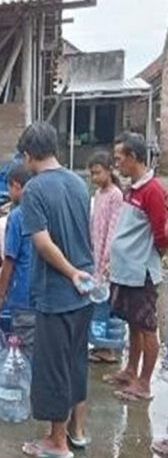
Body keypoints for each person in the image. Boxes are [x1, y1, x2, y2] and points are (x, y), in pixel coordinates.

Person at [17, 122, 94, 458]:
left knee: (53, 367)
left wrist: (71, 272)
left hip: (58, 291)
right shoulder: (79, 182)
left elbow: (43, 243)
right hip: (85, 291)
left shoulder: (34, 189)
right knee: (77, 361)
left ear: (27, 155)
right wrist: (82, 274)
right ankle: (78, 432)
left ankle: (56, 442)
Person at [106, 133, 167, 403]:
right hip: (126, 270)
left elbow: (161, 234)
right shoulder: (133, 189)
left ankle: (144, 382)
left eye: (120, 159)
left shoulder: (153, 190)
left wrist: (154, 256)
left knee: (147, 326)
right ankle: (131, 370)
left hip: (140, 270)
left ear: (133, 158)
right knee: (133, 322)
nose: (117, 164)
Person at [0, 164, 35, 357]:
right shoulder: (44, 209)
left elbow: (10, 259)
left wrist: (0, 296)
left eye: (8, 188)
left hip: (23, 293)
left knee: (23, 351)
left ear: (16, 186)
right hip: (45, 294)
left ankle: (27, 386)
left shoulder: (16, 216)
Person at [87, 151, 123, 364]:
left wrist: (107, 260)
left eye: (97, 173)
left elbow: (114, 230)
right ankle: (100, 344)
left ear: (109, 170)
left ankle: (108, 348)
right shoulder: (99, 195)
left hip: (107, 261)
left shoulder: (115, 195)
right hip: (96, 257)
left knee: (107, 306)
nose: (94, 178)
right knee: (98, 304)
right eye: (92, 174)